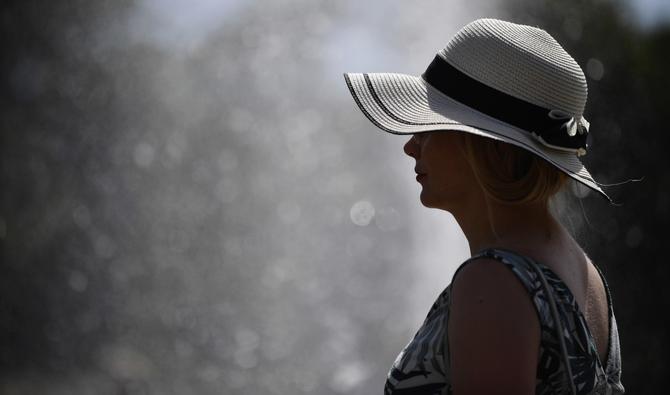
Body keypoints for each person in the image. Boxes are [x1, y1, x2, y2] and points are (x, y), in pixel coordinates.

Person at [343, 19, 625, 394]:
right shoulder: (587, 277)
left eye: (430, 125)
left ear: (486, 147)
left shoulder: (493, 283)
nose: (411, 145)